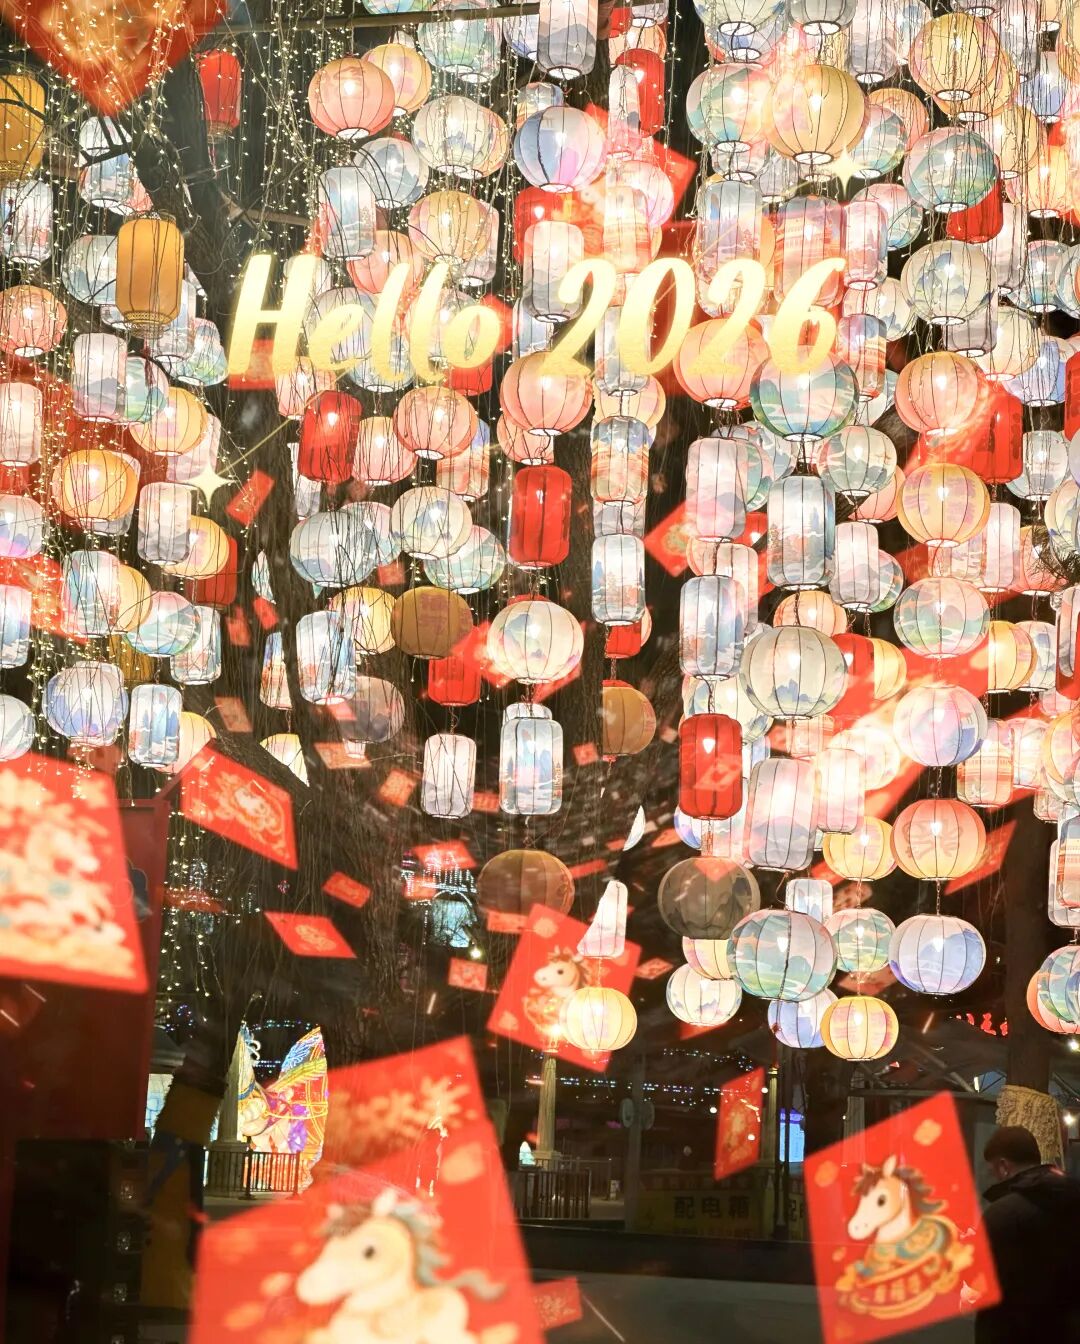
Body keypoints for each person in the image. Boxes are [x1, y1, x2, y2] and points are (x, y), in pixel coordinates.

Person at [975, 1124, 1080, 1343]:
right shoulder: (1074, 1200)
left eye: (992, 1170)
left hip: (1012, 1333)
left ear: (1003, 1166)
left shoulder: (1001, 1214)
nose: (992, 1176)